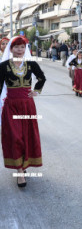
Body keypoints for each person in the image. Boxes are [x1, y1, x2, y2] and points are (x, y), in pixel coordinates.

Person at [0, 36, 46, 187]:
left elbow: (41, 78)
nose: (20, 50)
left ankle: (23, 167)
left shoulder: (32, 64)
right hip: (11, 106)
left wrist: (36, 91)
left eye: (22, 47)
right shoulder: (4, 66)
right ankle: (19, 171)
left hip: (27, 106)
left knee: (27, 136)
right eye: (16, 47)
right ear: (11, 49)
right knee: (15, 137)